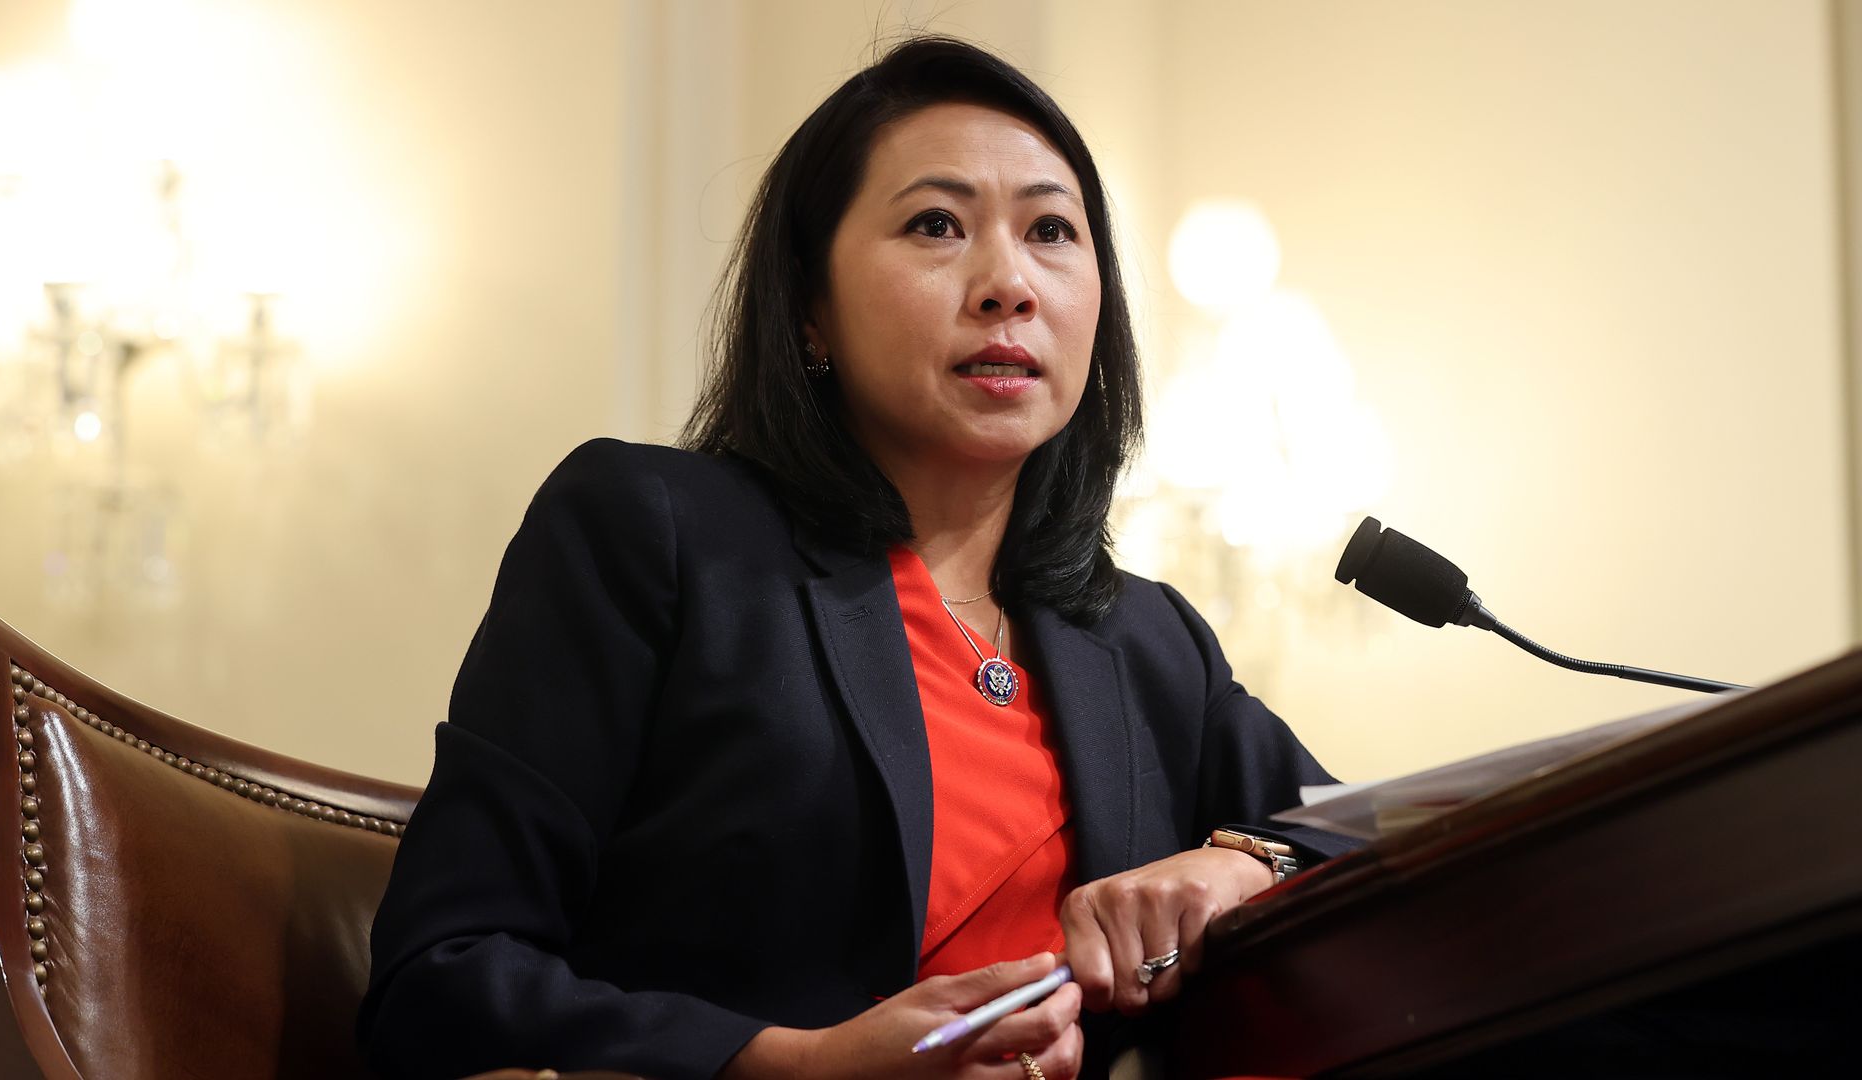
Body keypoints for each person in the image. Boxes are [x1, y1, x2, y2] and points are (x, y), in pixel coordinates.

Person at [358, 36, 1357, 1080]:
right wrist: (805, 1066)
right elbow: (440, 981)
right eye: (937, 225)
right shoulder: (651, 535)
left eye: (1052, 230)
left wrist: (1241, 864)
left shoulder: (1146, 643)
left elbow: (1383, 838)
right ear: (809, 309)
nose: (1007, 282)